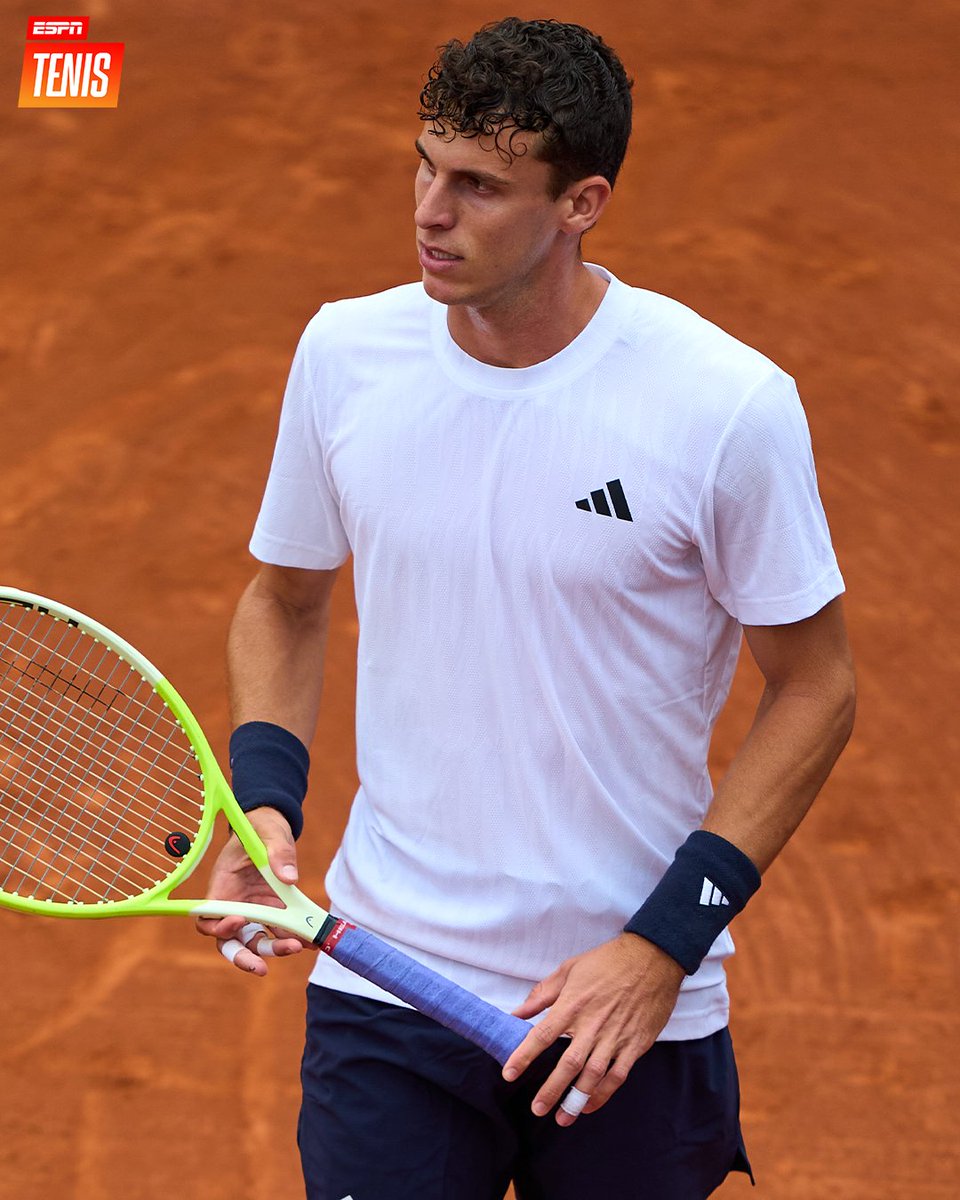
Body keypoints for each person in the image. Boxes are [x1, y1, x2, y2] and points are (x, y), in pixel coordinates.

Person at [196, 16, 856, 1200]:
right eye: (426, 165)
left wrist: (662, 946)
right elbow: (287, 601)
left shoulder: (723, 405)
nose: (430, 213)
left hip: (625, 1007)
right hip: (387, 978)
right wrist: (266, 806)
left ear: (581, 203)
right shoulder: (347, 354)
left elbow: (816, 687)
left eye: (481, 186)